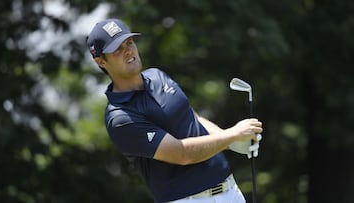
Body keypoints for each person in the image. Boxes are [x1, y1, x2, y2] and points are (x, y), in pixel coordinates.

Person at [87, 18, 263, 203]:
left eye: (129, 42)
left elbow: (192, 117)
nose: (128, 51)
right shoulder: (120, 117)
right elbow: (182, 154)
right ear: (101, 61)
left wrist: (231, 142)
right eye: (117, 49)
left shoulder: (157, 75)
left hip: (231, 191)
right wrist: (231, 135)